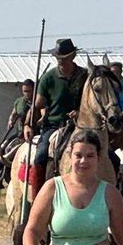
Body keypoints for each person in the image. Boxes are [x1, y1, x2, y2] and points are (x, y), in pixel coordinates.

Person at [23, 38, 87, 193]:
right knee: (40, 156)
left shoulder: (85, 76)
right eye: (58, 58)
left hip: (82, 126)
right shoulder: (48, 78)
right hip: (54, 126)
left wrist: (80, 112)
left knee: (112, 158)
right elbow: (37, 105)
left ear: (72, 56)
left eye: (64, 58)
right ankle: (38, 197)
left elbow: (92, 103)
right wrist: (27, 124)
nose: (61, 61)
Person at [3, 78, 35, 152]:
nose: (26, 94)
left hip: (33, 134)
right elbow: (13, 114)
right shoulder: (19, 102)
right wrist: (10, 121)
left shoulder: (38, 101)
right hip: (19, 134)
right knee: (5, 148)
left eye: (29, 91)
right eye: (25, 91)